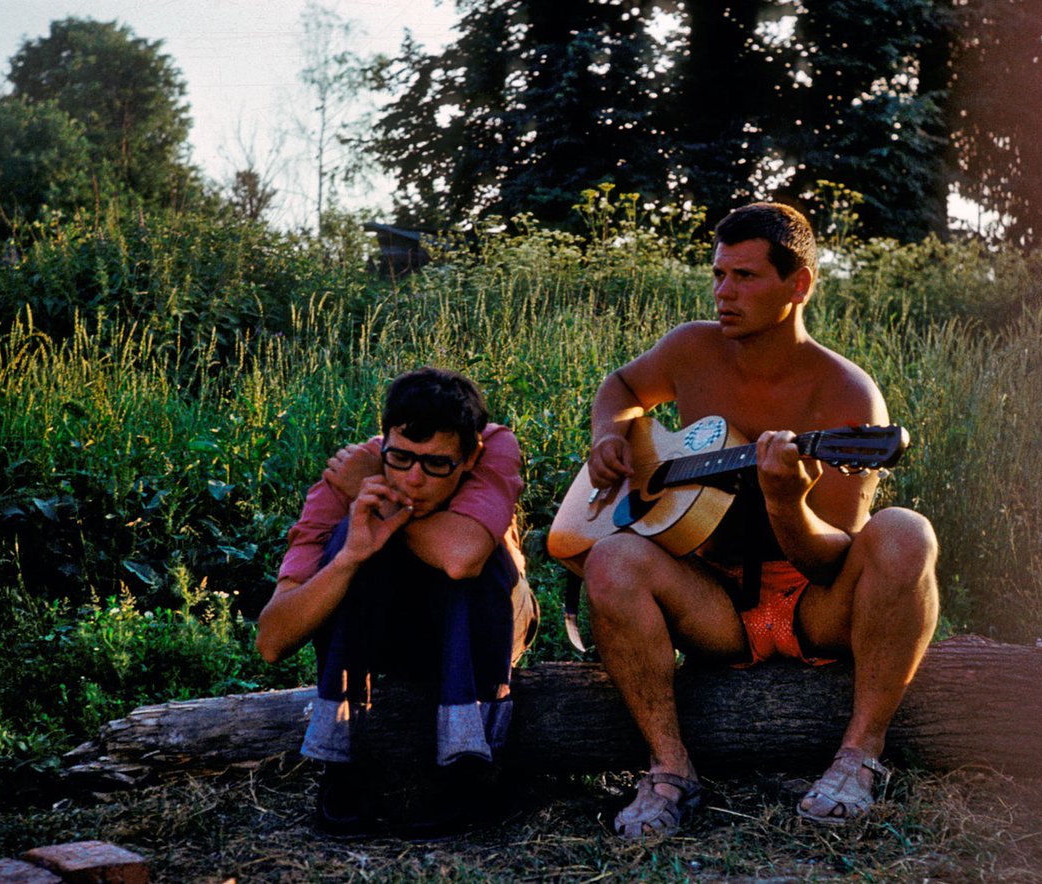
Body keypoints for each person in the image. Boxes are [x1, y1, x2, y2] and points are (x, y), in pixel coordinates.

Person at [580, 202, 939, 836]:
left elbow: (832, 561)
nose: (723, 292)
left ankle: (858, 759)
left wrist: (785, 503)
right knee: (610, 558)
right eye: (718, 275)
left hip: (813, 606)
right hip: (714, 601)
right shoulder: (691, 348)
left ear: (797, 284)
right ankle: (671, 772)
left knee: (906, 532)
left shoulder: (846, 395)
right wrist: (610, 434)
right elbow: (620, 388)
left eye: (744, 277)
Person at [256, 367, 537, 839]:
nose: (413, 479)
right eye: (400, 459)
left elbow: (462, 558)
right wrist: (350, 557)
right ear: (384, 440)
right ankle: (343, 765)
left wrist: (392, 512)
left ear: (470, 458)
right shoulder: (346, 478)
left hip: (488, 626)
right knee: (354, 535)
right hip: (391, 631)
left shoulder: (497, 445)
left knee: (473, 560)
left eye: (436, 465)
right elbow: (272, 640)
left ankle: (472, 767)